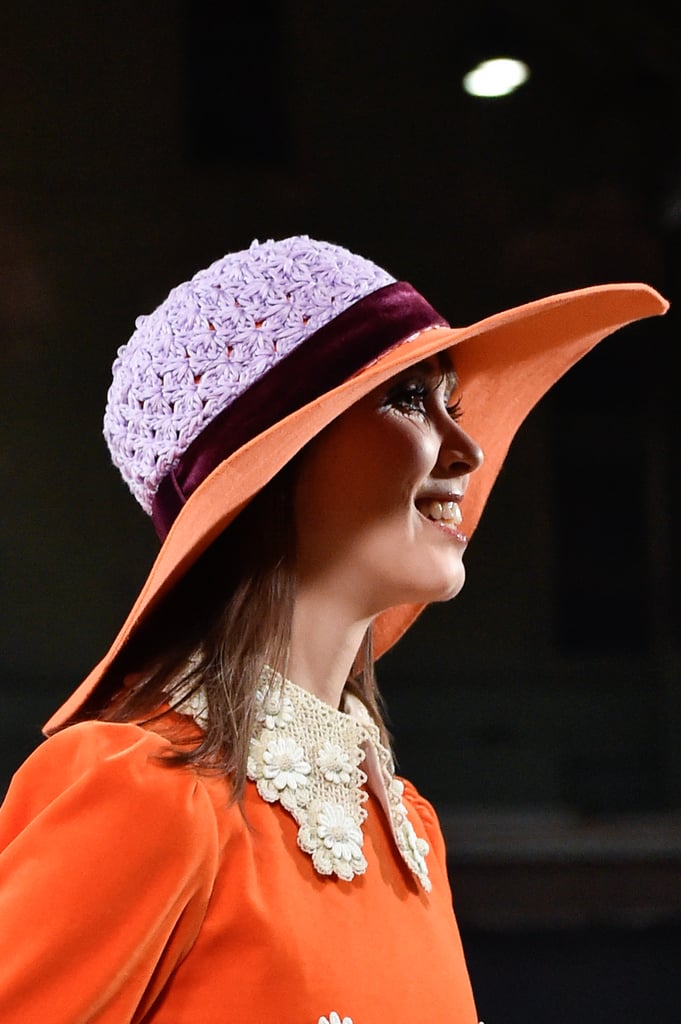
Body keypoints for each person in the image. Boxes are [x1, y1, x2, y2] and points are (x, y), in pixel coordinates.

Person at [0, 235, 668, 1023]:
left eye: (452, 403)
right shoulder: (137, 792)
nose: (468, 450)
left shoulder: (408, 827)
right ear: (276, 458)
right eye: (409, 399)